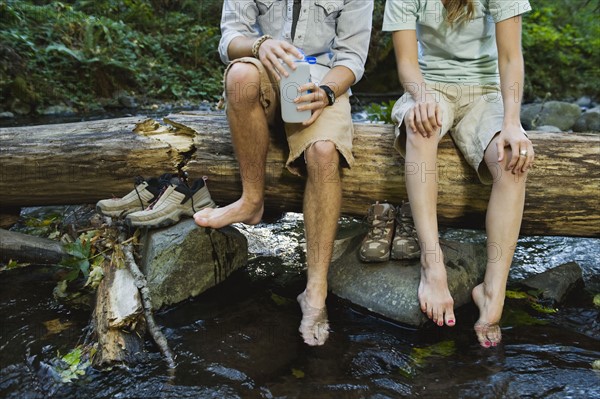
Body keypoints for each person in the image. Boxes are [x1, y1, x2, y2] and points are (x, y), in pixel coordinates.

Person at [194, 0, 373, 346]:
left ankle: (316, 291)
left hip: (322, 83)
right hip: (263, 73)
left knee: (323, 153)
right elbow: (230, 40)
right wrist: (259, 45)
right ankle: (252, 201)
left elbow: (352, 58)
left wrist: (327, 92)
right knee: (240, 75)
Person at [382, 0, 534, 347]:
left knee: (512, 161)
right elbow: (406, 62)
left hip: (486, 92)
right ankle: (432, 266)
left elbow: (510, 58)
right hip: (429, 85)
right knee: (421, 129)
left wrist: (512, 123)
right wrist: (420, 97)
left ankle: (493, 289)